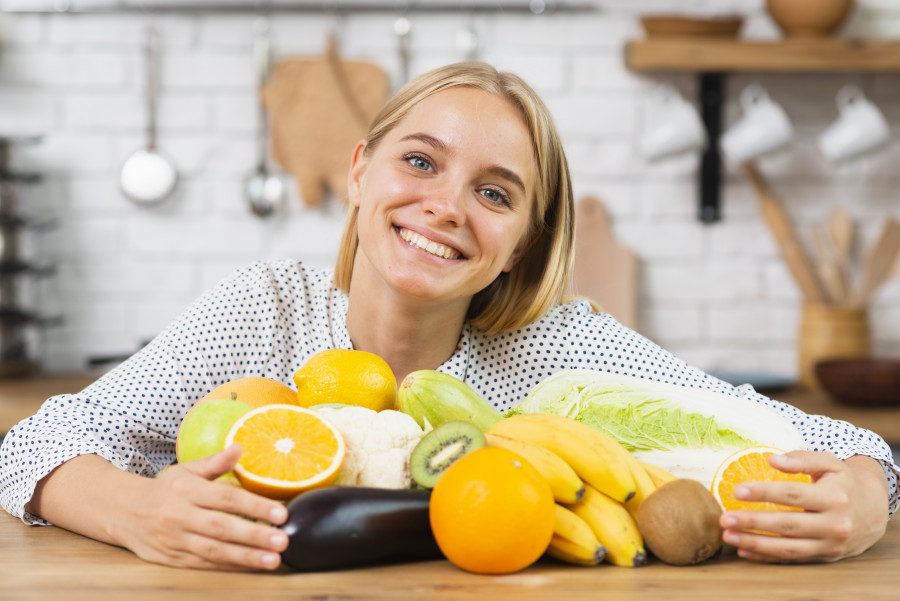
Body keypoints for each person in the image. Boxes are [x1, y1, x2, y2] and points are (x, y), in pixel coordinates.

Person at [0, 62, 896, 571]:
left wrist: (862, 493)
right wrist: (135, 511)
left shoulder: (559, 347)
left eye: (495, 192)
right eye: (420, 163)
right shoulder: (264, 309)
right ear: (359, 172)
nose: (445, 207)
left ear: (521, 244)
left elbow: (826, 441)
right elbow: (33, 443)